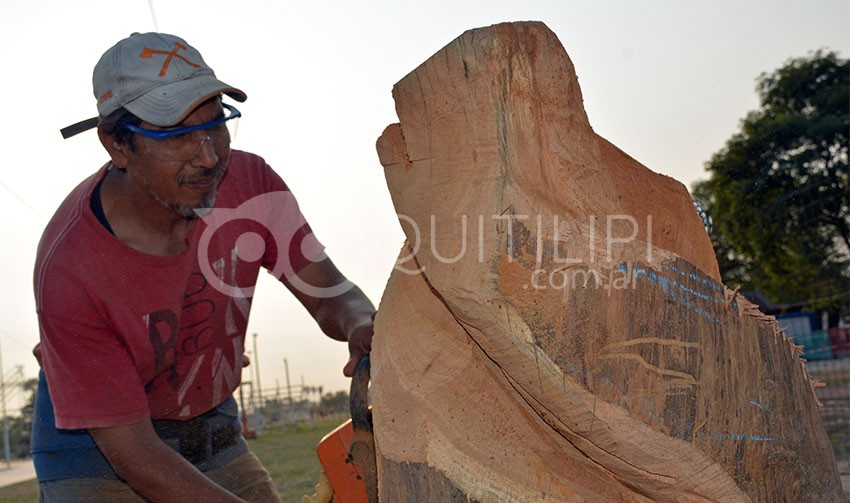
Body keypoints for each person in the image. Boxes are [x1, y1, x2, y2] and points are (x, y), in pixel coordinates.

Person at [31, 32, 375, 502]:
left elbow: (329, 290)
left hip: (209, 426)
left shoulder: (250, 182)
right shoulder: (70, 269)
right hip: (99, 452)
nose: (209, 156)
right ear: (117, 145)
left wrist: (359, 321)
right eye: (176, 136)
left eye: (216, 125)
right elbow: (132, 451)